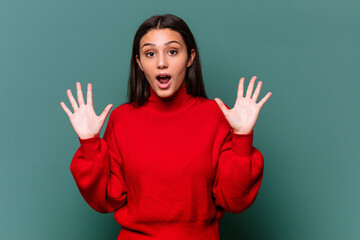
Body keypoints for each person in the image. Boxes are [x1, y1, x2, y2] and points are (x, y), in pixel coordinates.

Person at [60, 14, 272, 240]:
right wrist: (90, 144)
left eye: (172, 51)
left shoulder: (216, 116)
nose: (161, 62)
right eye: (150, 53)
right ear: (139, 63)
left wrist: (242, 136)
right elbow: (104, 200)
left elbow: (236, 201)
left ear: (190, 57)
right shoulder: (121, 119)